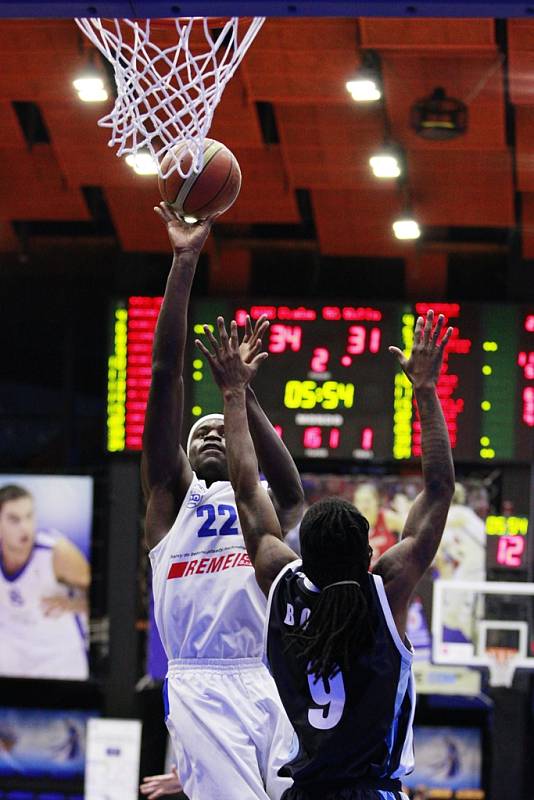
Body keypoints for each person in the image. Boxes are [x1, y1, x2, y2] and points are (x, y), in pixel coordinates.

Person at [197, 309, 455, 800]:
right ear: (369, 554)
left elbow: (248, 489)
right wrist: (425, 389)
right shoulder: (386, 589)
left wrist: (233, 395)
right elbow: (440, 490)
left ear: (300, 554)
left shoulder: (279, 577)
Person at [144, 204, 304, 800]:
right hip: (200, 682)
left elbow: (290, 491)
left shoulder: (260, 505)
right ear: (180, 458)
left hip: (269, 679)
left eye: (221, 429)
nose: (210, 432)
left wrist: (241, 396)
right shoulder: (170, 500)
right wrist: (185, 262)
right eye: (198, 431)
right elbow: (164, 376)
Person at [0, 484, 90, 680]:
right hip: (11, 665)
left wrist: (75, 604)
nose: (25, 527)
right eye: (14, 519)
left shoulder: (58, 554)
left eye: (29, 516)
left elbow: (110, 599)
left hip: (60, 664)